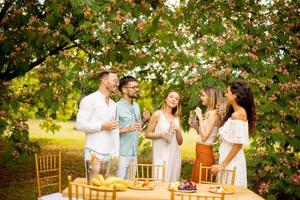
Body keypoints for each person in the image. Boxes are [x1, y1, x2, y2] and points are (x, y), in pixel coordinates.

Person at [211, 80, 256, 187]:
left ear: (235, 95)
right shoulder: (235, 113)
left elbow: (238, 144)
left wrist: (222, 165)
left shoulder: (239, 114)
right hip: (227, 157)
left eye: (227, 92)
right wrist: (222, 115)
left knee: (230, 191)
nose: (225, 94)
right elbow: (230, 134)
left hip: (232, 161)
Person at [76, 70, 120, 167]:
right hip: (93, 151)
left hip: (111, 154)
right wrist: (101, 126)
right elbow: (80, 124)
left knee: (110, 182)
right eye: (115, 81)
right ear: (104, 81)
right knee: (94, 182)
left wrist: (116, 154)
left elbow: (115, 131)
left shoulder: (115, 105)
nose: (117, 84)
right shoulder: (88, 100)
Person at [116, 76, 150, 180]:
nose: (137, 90)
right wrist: (127, 129)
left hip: (134, 154)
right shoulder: (115, 107)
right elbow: (110, 131)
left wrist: (144, 120)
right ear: (124, 89)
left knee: (130, 186)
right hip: (120, 154)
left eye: (137, 87)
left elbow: (137, 125)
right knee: (116, 186)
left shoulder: (137, 106)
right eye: (134, 87)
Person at [146, 90, 183, 182]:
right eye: (171, 97)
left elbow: (180, 142)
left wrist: (178, 131)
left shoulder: (176, 118)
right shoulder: (157, 114)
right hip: (161, 153)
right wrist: (160, 134)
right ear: (165, 99)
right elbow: (147, 134)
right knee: (160, 179)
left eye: (177, 99)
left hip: (174, 154)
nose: (174, 99)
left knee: (172, 182)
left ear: (178, 103)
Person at [189, 87, 222, 183]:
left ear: (210, 97)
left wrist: (199, 117)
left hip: (205, 153)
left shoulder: (213, 114)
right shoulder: (209, 112)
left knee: (200, 183)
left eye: (203, 95)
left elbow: (204, 137)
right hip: (200, 152)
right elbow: (201, 134)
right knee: (196, 181)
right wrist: (195, 125)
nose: (201, 98)